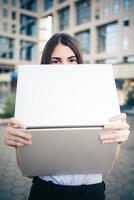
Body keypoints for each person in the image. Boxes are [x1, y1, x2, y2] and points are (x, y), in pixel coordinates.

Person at [5, 33, 130, 200]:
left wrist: (118, 140)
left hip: (91, 192)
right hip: (46, 191)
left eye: (71, 60)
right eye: (55, 61)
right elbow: (27, 170)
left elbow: (110, 163)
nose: (64, 66)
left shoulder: (99, 96)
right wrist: (17, 143)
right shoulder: (33, 101)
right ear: (46, 64)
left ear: (79, 62)